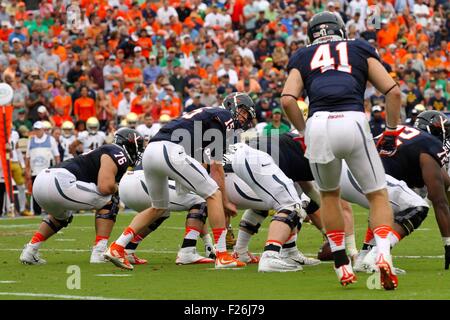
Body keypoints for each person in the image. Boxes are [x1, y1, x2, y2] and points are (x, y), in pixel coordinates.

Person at [280, 12, 401, 289]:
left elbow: (287, 99)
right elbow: (392, 92)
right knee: (377, 194)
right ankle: (382, 252)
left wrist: (303, 132)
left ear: (311, 35)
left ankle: (341, 264)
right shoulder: (359, 47)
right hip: (352, 119)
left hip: (319, 123)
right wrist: (392, 131)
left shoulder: (302, 55)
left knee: (330, 195)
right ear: (341, 30)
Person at [104, 92, 256, 270]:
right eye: (244, 112)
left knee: (159, 207)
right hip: (169, 150)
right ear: (232, 106)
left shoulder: (206, 118)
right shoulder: (223, 116)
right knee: (213, 193)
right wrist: (225, 201)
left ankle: (117, 246)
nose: (244, 118)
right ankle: (222, 255)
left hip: (152, 152)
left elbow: (200, 160)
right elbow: (216, 167)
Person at [19, 128, 145, 265]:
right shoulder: (118, 153)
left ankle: (30, 251)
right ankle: (99, 252)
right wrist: (117, 187)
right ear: (130, 145)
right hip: (60, 182)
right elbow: (105, 187)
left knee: (62, 216)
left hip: (42, 181)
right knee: (110, 200)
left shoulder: (108, 150)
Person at [25, 121, 60, 216]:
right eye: (35, 129)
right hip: (35, 171)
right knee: (36, 192)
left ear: (43, 130)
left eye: (38, 129)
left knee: (48, 192)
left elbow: (57, 155)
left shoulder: (51, 139)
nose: (37, 131)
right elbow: (28, 157)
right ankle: (37, 212)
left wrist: (58, 168)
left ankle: (50, 210)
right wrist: (27, 170)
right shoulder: (31, 140)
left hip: (47, 171)